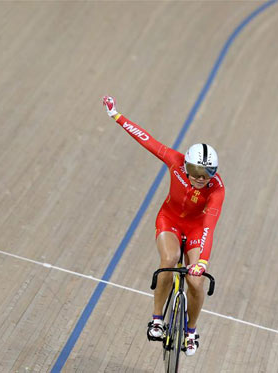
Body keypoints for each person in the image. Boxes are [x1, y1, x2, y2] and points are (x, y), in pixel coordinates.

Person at [102, 96, 225, 356]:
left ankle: (191, 332)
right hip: (169, 219)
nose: (199, 179)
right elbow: (147, 140)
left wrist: (202, 261)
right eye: (194, 172)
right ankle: (157, 319)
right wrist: (117, 115)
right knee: (170, 258)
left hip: (195, 229)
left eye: (206, 175)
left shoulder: (217, 190)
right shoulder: (175, 160)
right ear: (186, 165)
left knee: (196, 281)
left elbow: (209, 226)